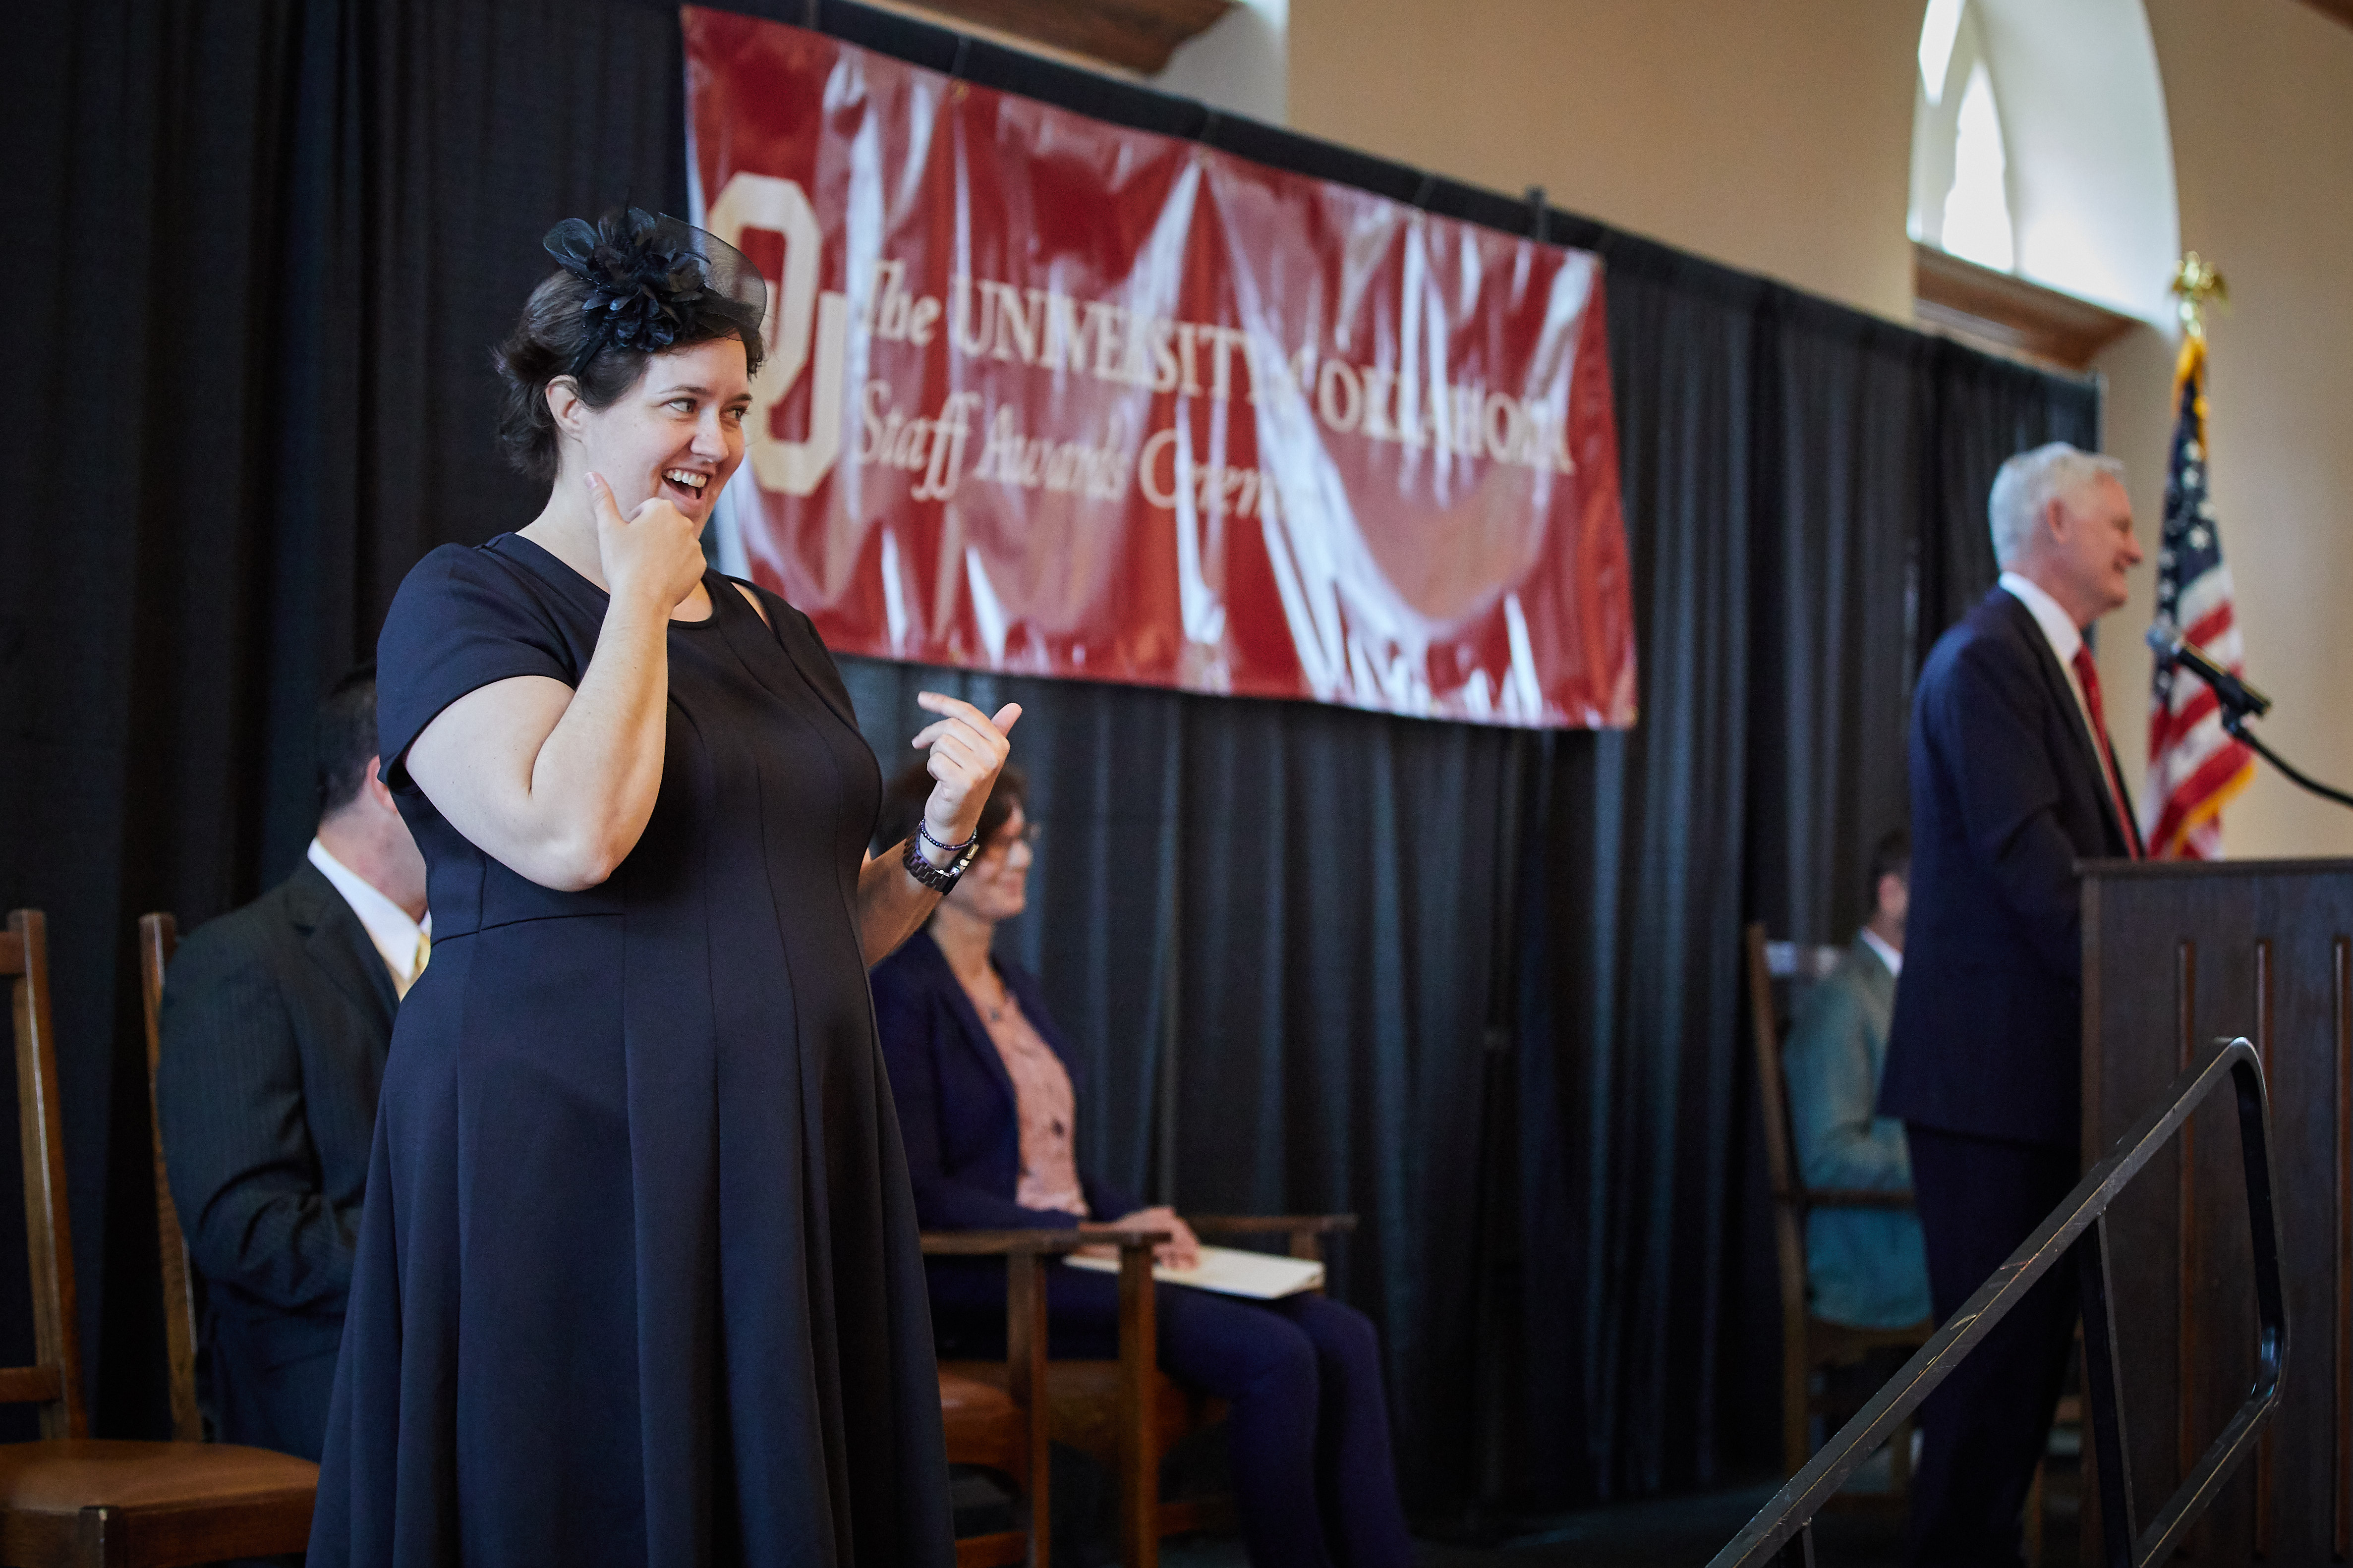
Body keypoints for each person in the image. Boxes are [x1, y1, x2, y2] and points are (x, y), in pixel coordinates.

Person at [308, 208, 1019, 1567]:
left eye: (737, 407)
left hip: (781, 1141)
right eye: (682, 402)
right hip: (570, 1142)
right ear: (573, 408)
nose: (717, 442)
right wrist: (637, 598)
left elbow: (822, 925)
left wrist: (940, 832)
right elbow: (573, 834)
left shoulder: (771, 625)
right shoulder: (468, 601)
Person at [867, 762, 1415, 1568]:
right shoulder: (900, 989)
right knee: (1279, 1356)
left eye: (1025, 840)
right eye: (997, 842)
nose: (1017, 858)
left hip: (1083, 1255)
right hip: (999, 1275)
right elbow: (917, 1191)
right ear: (942, 841)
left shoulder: (1018, 985)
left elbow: (1058, 1161)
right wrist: (1084, 1230)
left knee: (1344, 1332)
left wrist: (1131, 1217)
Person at [1879, 442, 2144, 1566]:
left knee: (2024, 1398)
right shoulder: (1987, 661)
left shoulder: (2051, 663)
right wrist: (2151, 981)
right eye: (2117, 522)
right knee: (1986, 1402)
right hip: (1991, 1093)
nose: (2135, 543)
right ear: (2054, 523)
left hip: (2044, 1083)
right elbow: (2032, 870)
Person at [156, 668, 426, 1461]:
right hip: (324, 1366)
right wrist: (445, 1258)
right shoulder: (240, 960)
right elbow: (244, 1228)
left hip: (472, 1345)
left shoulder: (483, 957)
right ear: (387, 782)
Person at [1781, 830, 1929, 1333]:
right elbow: (1829, 1154)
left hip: (1931, 1235)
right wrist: (1940, 1165)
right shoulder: (1844, 998)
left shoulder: (1923, 988)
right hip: (1881, 1255)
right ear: (1891, 895)